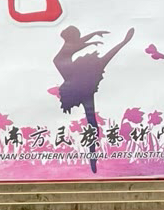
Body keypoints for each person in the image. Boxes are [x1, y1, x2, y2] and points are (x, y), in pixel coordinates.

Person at [53, 25, 134, 174]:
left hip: (80, 85)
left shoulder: (70, 54)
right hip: (78, 85)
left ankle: (92, 158)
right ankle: (92, 157)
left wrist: (121, 41)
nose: (80, 40)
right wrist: (95, 38)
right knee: (91, 121)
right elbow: (77, 45)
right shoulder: (69, 51)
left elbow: (79, 45)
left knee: (92, 122)